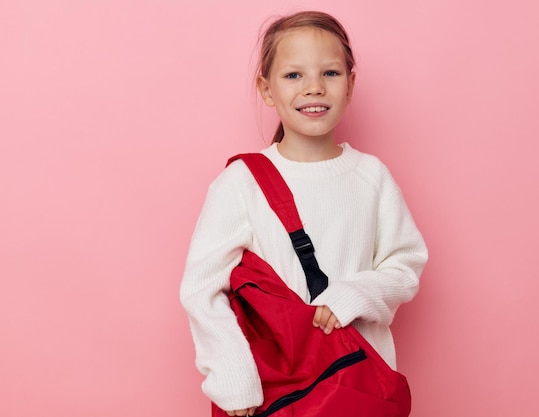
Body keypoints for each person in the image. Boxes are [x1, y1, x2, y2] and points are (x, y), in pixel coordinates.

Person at [180, 10, 428, 417]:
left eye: (330, 73)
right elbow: (201, 289)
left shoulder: (372, 176)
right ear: (266, 88)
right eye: (294, 75)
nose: (313, 88)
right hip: (276, 394)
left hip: (360, 385)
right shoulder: (241, 183)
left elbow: (406, 264)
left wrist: (357, 293)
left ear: (350, 85)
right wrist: (232, 375)